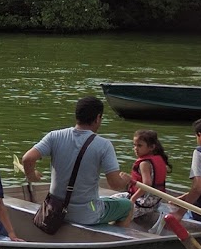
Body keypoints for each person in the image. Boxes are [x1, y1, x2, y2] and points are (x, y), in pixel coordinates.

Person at [20, 96, 133, 227]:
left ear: (77, 116)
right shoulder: (104, 145)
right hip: (85, 214)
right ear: (98, 118)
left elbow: (27, 159)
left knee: (104, 201)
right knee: (128, 205)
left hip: (54, 209)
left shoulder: (54, 136)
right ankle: (114, 241)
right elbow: (115, 184)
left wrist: (32, 176)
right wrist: (125, 180)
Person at [128, 129, 171, 224]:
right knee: (115, 198)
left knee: (118, 211)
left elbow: (146, 184)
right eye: (134, 145)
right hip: (156, 202)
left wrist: (133, 199)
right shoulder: (159, 159)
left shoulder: (144, 163)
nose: (135, 148)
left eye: (139, 145)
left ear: (151, 147)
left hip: (144, 202)